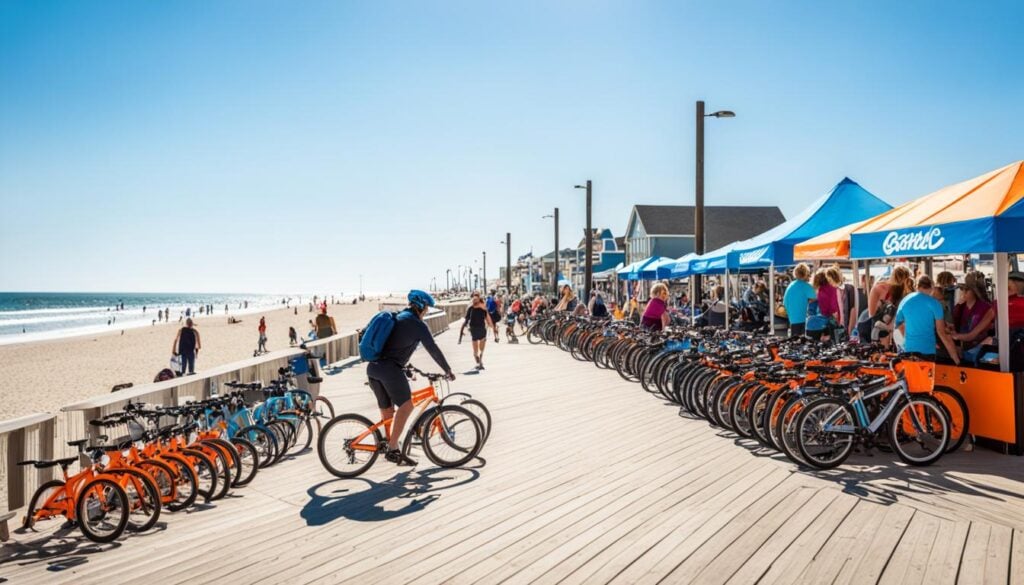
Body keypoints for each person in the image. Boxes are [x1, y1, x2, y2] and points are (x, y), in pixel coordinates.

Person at [367, 290, 455, 466]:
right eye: (427, 308)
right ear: (421, 306)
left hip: (374, 368)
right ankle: (393, 448)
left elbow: (395, 347)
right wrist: (447, 370)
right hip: (389, 369)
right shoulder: (417, 325)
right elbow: (433, 349)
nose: (427, 312)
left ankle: (386, 442)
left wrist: (406, 366)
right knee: (407, 406)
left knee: (389, 411)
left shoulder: (399, 318)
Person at [895, 275, 959, 365]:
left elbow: (899, 324)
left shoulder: (905, 301)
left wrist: (908, 338)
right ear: (931, 287)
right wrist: (956, 360)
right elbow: (942, 333)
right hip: (928, 351)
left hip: (909, 350)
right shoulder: (934, 304)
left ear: (917, 286)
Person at [951, 271, 994, 363]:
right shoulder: (959, 307)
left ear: (975, 290)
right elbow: (956, 326)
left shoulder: (986, 307)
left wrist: (957, 337)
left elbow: (985, 331)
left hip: (980, 350)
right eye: (962, 288)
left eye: (966, 289)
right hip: (963, 350)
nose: (963, 291)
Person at [462, 295, 497, 369]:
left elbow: (488, 319)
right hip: (474, 329)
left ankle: (480, 358)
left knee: (480, 345)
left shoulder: (483, 309)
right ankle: (477, 357)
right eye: (473, 300)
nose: (474, 301)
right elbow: (466, 320)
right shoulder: (471, 309)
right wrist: (462, 330)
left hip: (480, 329)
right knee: (476, 348)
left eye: (476, 300)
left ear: (479, 301)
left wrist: (493, 327)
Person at [783, 264, 817, 336]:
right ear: (806, 274)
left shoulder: (790, 285)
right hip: (802, 318)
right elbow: (815, 298)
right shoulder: (806, 286)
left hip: (792, 318)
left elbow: (785, 302)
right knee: (802, 342)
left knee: (794, 341)